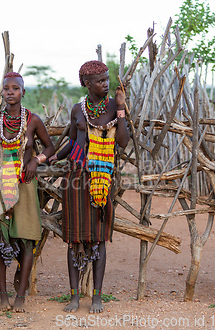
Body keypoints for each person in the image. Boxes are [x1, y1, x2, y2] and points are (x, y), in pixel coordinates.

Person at [49, 61, 130, 313]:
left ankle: (97, 296)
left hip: (101, 177)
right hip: (76, 174)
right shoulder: (77, 109)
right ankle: (74, 296)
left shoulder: (115, 107)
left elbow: (124, 142)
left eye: (106, 79)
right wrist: (54, 157)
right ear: (86, 84)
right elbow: (73, 142)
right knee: (74, 237)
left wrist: (120, 108)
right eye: (100, 81)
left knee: (99, 237)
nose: (105, 84)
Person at [0, 72, 55, 312]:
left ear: (23, 92)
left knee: (25, 239)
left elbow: (50, 146)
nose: (10, 92)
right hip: (0, 186)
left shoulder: (33, 121)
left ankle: (20, 296)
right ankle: (3, 295)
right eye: (6, 88)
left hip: (24, 184)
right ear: (1, 92)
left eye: (15, 88)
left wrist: (37, 160)